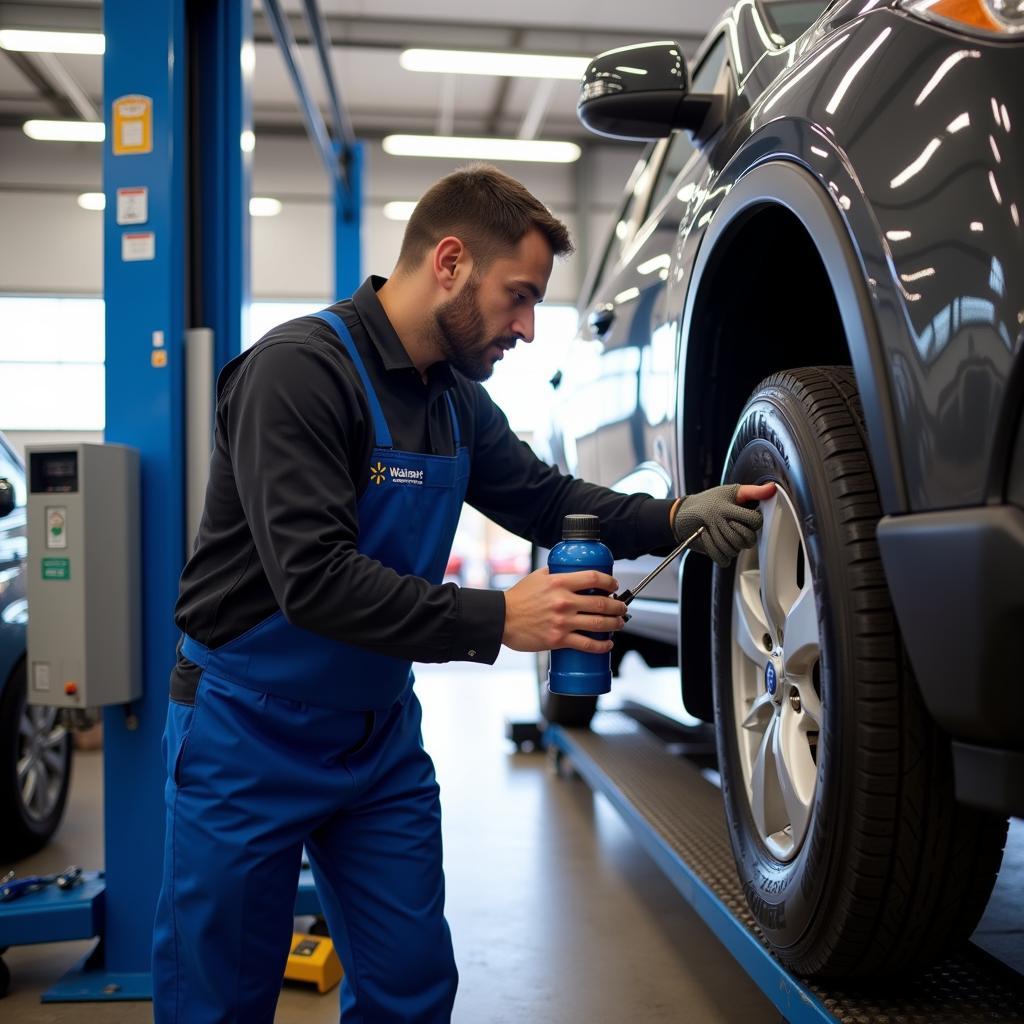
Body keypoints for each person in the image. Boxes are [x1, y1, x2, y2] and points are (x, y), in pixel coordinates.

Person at [151, 164, 773, 1023]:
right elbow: (313, 580)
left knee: (411, 988)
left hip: (374, 737)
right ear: (449, 262)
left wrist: (674, 516)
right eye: (517, 297)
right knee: (220, 998)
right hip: (245, 731)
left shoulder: (455, 403)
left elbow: (549, 499)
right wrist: (501, 618)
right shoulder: (298, 373)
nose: (525, 327)